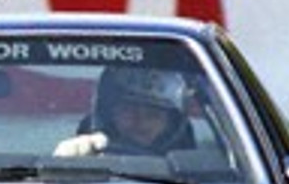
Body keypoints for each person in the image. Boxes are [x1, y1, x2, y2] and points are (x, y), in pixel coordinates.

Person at [54, 66, 195, 156]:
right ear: (107, 114)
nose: (141, 122)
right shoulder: (85, 153)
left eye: (153, 115)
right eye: (129, 111)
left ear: (171, 124)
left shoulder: (201, 178)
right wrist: (68, 161)